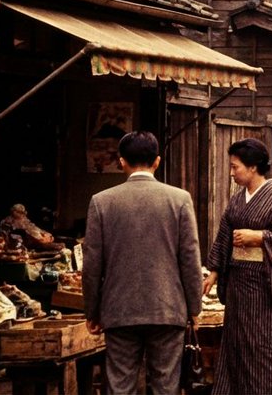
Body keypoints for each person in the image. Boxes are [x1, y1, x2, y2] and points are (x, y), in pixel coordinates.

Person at [82, 131, 201, 395]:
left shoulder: (101, 202)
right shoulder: (179, 200)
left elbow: (92, 265)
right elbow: (190, 259)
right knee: (165, 385)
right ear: (157, 162)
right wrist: (194, 307)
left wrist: (92, 310)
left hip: (119, 310)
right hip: (168, 309)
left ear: (121, 161)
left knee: (120, 385)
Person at [203, 138, 272, 395]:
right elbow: (224, 236)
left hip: (262, 288)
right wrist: (213, 272)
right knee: (234, 347)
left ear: (254, 166)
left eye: (236, 167)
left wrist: (259, 237)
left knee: (262, 349)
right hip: (237, 286)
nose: (232, 172)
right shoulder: (237, 201)